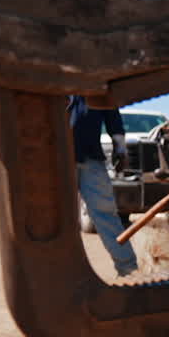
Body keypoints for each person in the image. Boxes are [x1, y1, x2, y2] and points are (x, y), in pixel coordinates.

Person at [68, 95, 137, 276]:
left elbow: (111, 114)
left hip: (91, 158)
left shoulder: (95, 89)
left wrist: (120, 148)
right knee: (61, 218)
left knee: (106, 214)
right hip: (58, 158)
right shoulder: (55, 85)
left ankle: (129, 270)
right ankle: (64, 274)